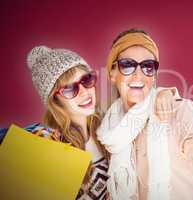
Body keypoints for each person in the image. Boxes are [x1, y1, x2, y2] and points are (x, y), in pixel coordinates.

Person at [1, 45, 177, 200]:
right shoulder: (47, 141)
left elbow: (141, 104)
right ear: (55, 101)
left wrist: (164, 93)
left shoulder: (109, 124)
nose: (84, 92)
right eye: (70, 89)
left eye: (86, 80)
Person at [97, 28, 193, 200]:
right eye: (127, 65)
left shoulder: (180, 111)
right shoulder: (107, 129)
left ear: (154, 75)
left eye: (147, 66)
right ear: (112, 74)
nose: (138, 75)